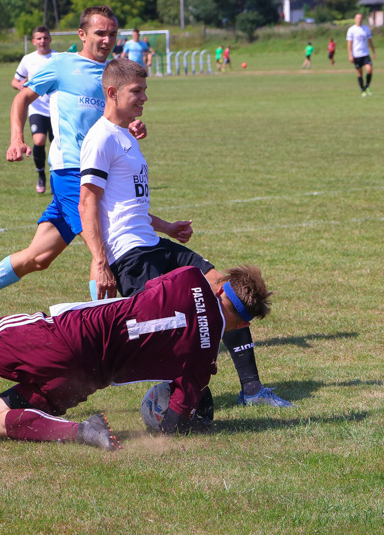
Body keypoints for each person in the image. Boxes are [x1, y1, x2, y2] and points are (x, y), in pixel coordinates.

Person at [0, 264, 272, 451]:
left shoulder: (187, 279)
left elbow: (167, 291)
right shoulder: (204, 362)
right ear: (241, 325)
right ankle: (79, 431)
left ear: (223, 290)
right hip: (91, 375)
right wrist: (167, 421)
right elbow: (177, 422)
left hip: (69, 334)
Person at [79, 58, 294, 408]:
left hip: (153, 244)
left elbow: (128, 207)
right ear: (112, 92)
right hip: (132, 257)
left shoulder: (123, 135)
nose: (144, 97)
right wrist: (100, 262)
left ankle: (252, 390)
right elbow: (87, 203)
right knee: (170, 330)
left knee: (228, 291)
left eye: (145, 90)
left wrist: (167, 227)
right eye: (137, 91)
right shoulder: (101, 138)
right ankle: (174, 398)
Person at [0, 5, 146, 344]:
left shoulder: (116, 73)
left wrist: (133, 126)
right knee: (103, 244)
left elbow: (115, 117)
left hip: (102, 171)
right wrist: (17, 138)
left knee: (38, 258)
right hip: (72, 170)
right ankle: (108, 337)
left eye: (112, 33)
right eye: (100, 33)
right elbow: (22, 98)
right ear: (82, 35)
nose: (107, 39)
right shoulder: (62, 65)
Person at [12, 26, 56, 194]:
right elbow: (15, 81)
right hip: (37, 109)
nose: (42, 41)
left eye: (45, 37)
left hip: (56, 110)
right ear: (33, 41)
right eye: (39, 38)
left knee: (56, 146)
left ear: (50, 39)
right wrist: (21, 86)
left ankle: (55, 179)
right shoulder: (28, 59)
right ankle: (40, 175)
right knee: (38, 141)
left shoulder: (57, 58)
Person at [346, 13, 376, 97]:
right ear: (355, 19)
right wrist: (350, 55)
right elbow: (349, 43)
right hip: (356, 54)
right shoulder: (351, 30)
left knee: (369, 70)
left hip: (365, 53)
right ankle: (362, 89)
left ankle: (367, 86)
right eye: (357, 18)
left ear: (362, 19)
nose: (359, 19)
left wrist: (373, 52)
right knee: (359, 73)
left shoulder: (366, 29)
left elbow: (370, 41)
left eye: (361, 18)